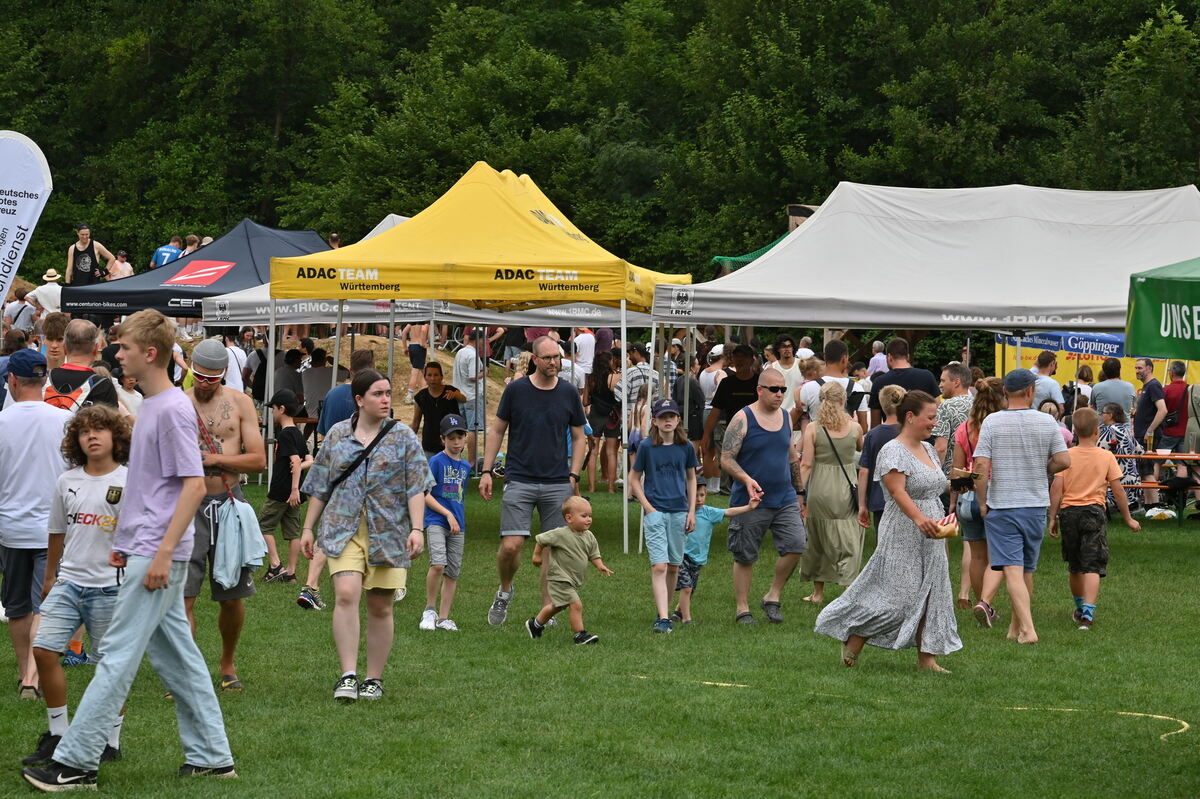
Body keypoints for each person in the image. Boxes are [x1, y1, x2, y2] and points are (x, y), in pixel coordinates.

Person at [22, 309, 236, 791]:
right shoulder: (154, 406)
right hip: (145, 548)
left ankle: (76, 762)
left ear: (150, 353)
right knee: (179, 658)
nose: (117, 353)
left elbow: (194, 486)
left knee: (116, 654)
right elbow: (148, 487)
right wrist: (126, 541)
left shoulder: (173, 410)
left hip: (160, 555)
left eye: (124, 347)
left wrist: (160, 553)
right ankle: (212, 757)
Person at [299, 369, 431, 702]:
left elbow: (416, 486)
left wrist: (417, 528)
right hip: (343, 527)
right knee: (345, 594)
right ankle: (347, 675)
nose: (386, 399)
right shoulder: (337, 435)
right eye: (377, 393)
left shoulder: (404, 437)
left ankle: (373, 678)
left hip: (390, 531)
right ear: (359, 400)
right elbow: (320, 485)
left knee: (380, 607)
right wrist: (307, 528)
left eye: (388, 393)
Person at [814, 391, 962, 673]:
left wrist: (960, 482)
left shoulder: (929, 449)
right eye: (930, 418)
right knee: (900, 599)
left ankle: (927, 659)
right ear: (910, 417)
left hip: (934, 532)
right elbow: (896, 491)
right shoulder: (893, 451)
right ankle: (855, 635)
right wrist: (919, 519)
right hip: (903, 531)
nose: (934, 424)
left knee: (933, 593)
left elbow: (935, 484)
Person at [22, 406, 130, 767]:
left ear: (116, 437)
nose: (92, 436)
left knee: (109, 666)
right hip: (69, 583)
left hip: (110, 589)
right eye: (84, 432)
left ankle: (110, 742)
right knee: (44, 651)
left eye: (100, 430)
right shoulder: (66, 481)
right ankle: (57, 735)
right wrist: (50, 576)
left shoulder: (129, 481)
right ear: (76, 441)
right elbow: (57, 531)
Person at [479, 335, 586, 626]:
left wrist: (573, 473)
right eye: (548, 357)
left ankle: (546, 608)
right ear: (535, 360)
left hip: (556, 482)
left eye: (557, 357)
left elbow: (579, 437)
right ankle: (504, 590)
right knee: (512, 545)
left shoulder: (568, 392)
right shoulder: (516, 390)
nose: (554, 362)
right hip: (519, 478)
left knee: (552, 548)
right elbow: (498, 430)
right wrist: (487, 470)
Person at [184, 339, 267, 692]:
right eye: (199, 376)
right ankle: (185, 674)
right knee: (182, 597)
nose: (204, 384)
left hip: (228, 502)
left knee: (232, 596)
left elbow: (258, 459)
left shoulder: (240, 403)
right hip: (185, 507)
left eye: (212, 379)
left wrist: (215, 459)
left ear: (223, 375)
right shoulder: (176, 404)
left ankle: (227, 662)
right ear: (190, 368)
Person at [972, 369, 1070, 645]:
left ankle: (1028, 630)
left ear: (1005, 392)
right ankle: (1015, 629)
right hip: (1036, 504)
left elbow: (980, 466)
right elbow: (1063, 460)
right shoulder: (1047, 422)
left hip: (1002, 504)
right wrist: (1044, 467)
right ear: (1030, 392)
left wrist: (982, 501)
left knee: (1013, 570)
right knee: (1025, 569)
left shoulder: (992, 422)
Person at [0, 349, 72, 699]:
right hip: (53, 528)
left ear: (12, 381)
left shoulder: (2, 422)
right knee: (44, 604)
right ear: (44, 380)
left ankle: (24, 673)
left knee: (16, 605)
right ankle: (33, 676)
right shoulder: (64, 420)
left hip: (11, 527)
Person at [722, 368, 807, 624]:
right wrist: (747, 479)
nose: (780, 394)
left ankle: (772, 596)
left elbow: (792, 456)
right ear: (760, 390)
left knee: (796, 545)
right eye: (774, 389)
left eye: (783, 389)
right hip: (751, 503)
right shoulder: (743, 418)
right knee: (745, 555)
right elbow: (726, 458)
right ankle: (742, 609)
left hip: (785, 498)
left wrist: (800, 491)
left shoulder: (785, 417)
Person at [1048, 407, 1141, 631]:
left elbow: (1056, 488)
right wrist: (1128, 518)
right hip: (1094, 512)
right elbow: (1118, 490)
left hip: (1069, 513)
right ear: (1098, 431)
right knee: (1093, 564)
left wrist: (1052, 517)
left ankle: (1079, 608)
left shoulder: (1066, 456)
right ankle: (1088, 613)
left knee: (1075, 564)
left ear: (1074, 431)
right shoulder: (1106, 456)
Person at [630, 398, 699, 634]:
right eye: (662, 417)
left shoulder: (686, 447)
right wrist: (649, 508)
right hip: (656, 512)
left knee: (673, 566)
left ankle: (666, 612)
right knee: (659, 566)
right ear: (654, 421)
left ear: (678, 419)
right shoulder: (647, 446)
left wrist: (691, 511)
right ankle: (662, 618)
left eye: (671, 416)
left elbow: (691, 478)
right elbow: (633, 479)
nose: (667, 421)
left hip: (679, 512)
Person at [798, 381, 864, 605]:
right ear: (844, 400)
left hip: (819, 488)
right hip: (846, 488)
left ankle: (817, 593)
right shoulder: (855, 428)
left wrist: (798, 491)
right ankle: (848, 589)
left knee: (818, 539)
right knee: (847, 538)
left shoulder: (812, 428)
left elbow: (806, 464)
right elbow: (861, 448)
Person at [524, 497, 613, 645]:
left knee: (558, 606)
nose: (588, 519)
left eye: (590, 516)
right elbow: (541, 540)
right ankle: (580, 635)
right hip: (559, 577)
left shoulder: (589, 536)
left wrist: (600, 565)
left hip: (573, 579)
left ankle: (535, 624)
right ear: (569, 518)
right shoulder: (560, 534)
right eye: (584, 516)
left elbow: (593, 554)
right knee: (576, 604)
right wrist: (536, 555)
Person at [950, 377, 1006, 609]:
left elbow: (958, 470)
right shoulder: (1002, 427)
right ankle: (985, 602)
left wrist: (953, 502)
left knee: (977, 556)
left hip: (968, 497)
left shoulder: (965, 428)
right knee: (998, 557)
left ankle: (983, 605)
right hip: (997, 494)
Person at [669, 480, 758, 624]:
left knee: (690, 589)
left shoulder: (708, 513)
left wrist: (749, 507)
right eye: (694, 495)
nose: (698, 499)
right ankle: (687, 619)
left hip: (698, 559)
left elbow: (728, 512)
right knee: (687, 587)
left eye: (702, 495)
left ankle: (678, 612)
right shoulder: (680, 513)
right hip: (681, 556)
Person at [420, 414, 472, 632]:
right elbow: (426, 494)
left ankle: (443, 618)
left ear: (465, 438)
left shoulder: (466, 467)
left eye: (460, 436)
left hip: (457, 525)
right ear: (443, 439)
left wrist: (455, 517)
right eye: (451, 437)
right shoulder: (436, 462)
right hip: (436, 520)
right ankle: (429, 610)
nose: (456, 441)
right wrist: (446, 514)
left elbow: (458, 497)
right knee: (439, 564)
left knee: (453, 573)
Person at [260, 389, 312, 584]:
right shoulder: (298, 434)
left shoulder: (285, 435)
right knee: (292, 532)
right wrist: (298, 466)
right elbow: (309, 460)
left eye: (273, 408)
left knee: (263, 525)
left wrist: (294, 488)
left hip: (284, 490)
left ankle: (275, 565)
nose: (272, 412)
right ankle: (290, 573)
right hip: (294, 492)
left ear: (281, 409)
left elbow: (297, 460)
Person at [703, 344, 759, 493]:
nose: (739, 361)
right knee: (732, 466)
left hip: (756, 432)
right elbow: (715, 411)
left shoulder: (759, 383)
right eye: (737, 358)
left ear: (751, 360)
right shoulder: (727, 383)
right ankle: (733, 494)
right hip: (732, 434)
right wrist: (706, 435)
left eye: (743, 358)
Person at [858, 385, 906, 531]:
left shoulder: (873, 435)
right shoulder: (909, 431)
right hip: (907, 497)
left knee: (884, 545)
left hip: (880, 499)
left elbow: (864, 471)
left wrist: (862, 504)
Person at [44, 319, 119, 411]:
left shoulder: (43, 380)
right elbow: (111, 423)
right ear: (95, 349)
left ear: (64, 347)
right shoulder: (103, 386)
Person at [797, 339, 868, 432]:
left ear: (825, 358)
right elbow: (864, 428)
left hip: (817, 442)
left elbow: (797, 419)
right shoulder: (857, 388)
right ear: (844, 358)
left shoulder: (808, 388)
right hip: (846, 443)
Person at [867, 338, 939, 427]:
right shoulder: (927, 376)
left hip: (891, 437)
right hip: (921, 436)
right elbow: (937, 408)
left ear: (889, 357)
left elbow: (875, 423)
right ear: (908, 356)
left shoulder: (879, 382)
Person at [583, 350, 621, 493]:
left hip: (595, 415)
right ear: (609, 361)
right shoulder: (615, 377)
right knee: (611, 452)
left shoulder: (591, 378)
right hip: (612, 416)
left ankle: (591, 487)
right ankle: (611, 488)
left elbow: (585, 401)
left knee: (593, 451)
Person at [412, 362, 467, 460]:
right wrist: (410, 440)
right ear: (425, 377)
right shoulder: (420, 397)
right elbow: (416, 421)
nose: (433, 378)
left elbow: (463, 399)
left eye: (436, 375)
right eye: (429, 375)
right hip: (429, 444)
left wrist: (455, 395)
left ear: (441, 377)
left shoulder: (450, 390)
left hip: (451, 442)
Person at [1133, 358, 1167, 507]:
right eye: (1136, 368)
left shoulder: (1153, 385)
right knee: (1144, 470)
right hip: (1143, 434)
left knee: (1147, 470)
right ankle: (1149, 505)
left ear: (1150, 368)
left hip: (1148, 436)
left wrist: (1150, 430)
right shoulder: (1148, 386)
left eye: (1140, 368)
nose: (1137, 371)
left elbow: (1163, 409)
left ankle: (1154, 505)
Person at [932, 362, 973, 475]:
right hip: (973, 472)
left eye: (943, 381)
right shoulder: (978, 404)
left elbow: (941, 448)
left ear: (956, 382)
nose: (940, 385)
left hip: (952, 475)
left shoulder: (946, 406)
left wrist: (934, 474)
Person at [1098, 403, 1142, 510]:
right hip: (1133, 479)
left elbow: (1097, 451)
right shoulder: (1126, 430)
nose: (1101, 415)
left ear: (1110, 415)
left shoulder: (1109, 431)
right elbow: (1140, 450)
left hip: (1117, 480)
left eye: (1103, 413)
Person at [453, 328, 487, 467]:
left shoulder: (460, 352)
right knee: (473, 429)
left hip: (459, 394)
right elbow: (473, 376)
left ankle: (457, 459)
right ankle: (472, 462)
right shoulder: (473, 355)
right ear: (478, 340)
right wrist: (484, 372)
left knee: (460, 429)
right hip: (472, 395)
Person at [767, 335, 803, 412]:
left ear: (793, 348)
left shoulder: (802, 365)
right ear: (778, 349)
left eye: (789, 346)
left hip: (799, 412)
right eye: (783, 346)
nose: (787, 349)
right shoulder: (772, 368)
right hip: (778, 412)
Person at [1160, 360, 1188, 453]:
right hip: (1185, 432)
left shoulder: (1166, 390)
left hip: (1169, 432)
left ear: (1171, 373)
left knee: (1158, 460)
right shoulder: (1190, 390)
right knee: (1182, 463)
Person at [402, 322, 429, 403]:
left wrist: (404, 347)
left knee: (421, 370)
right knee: (415, 371)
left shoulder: (413, 320)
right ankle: (409, 395)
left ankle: (423, 395)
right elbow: (424, 330)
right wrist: (423, 342)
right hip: (419, 346)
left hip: (411, 345)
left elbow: (404, 332)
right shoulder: (425, 319)